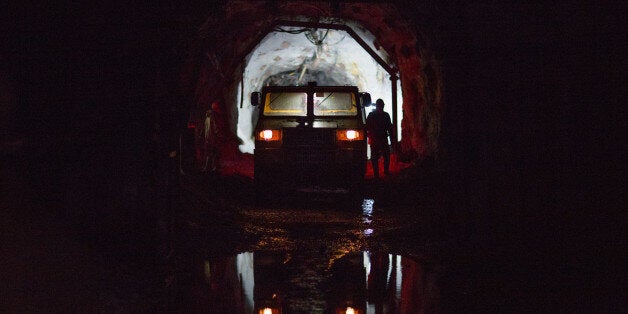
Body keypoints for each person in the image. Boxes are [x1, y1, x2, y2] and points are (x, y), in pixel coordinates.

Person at [366, 98, 392, 179]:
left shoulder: (372, 115)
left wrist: (369, 135)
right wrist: (392, 140)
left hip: (376, 139)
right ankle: (384, 172)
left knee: (376, 157)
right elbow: (390, 129)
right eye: (381, 105)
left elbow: (367, 127)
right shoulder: (385, 115)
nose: (381, 107)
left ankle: (377, 174)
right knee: (385, 155)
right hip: (380, 138)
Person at [203, 101, 222, 172]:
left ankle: (207, 168)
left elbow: (206, 127)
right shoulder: (214, 115)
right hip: (214, 138)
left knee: (209, 153)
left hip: (208, 137)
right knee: (215, 152)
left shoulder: (207, 116)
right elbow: (215, 126)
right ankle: (214, 168)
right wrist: (219, 135)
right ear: (216, 108)